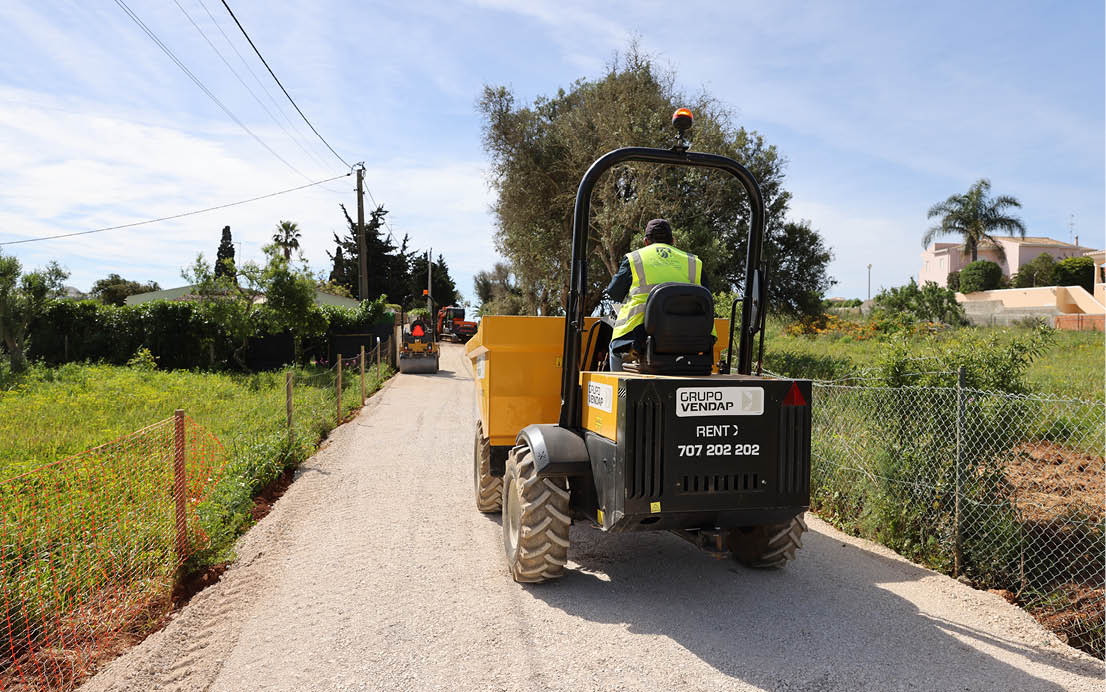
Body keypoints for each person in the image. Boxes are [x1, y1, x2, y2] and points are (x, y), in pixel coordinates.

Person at [604, 218, 710, 371]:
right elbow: (706, 298)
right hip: (693, 338)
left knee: (615, 350)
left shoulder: (635, 259)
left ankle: (620, 386)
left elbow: (614, 293)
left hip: (639, 336)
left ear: (646, 242)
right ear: (673, 241)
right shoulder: (694, 262)